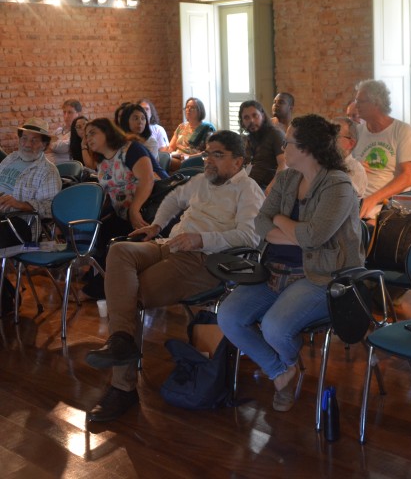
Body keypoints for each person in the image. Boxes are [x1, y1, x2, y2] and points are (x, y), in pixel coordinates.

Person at [84, 131, 265, 422]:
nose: (209, 160)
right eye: (207, 153)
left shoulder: (248, 189)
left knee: (130, 295)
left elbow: (250, 236)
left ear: (238, 161)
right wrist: (156, 225)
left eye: (218, 154)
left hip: (205, 260)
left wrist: (201, 240)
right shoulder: (203, 181)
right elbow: (172, 199)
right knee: (119, 251)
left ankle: (122, 387)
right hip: (170, 244)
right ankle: (120, 340)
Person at [218, 114, 364, 413]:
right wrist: (295, 233)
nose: (284, 147)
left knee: (274, 328)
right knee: (229, 316)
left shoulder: (338, 185)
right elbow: (260, 222)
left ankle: (281, 367)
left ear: (307, 148)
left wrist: (281, 222)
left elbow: (313, 237)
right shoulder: (286, 177)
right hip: (274, 271)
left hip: (321, 277)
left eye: (290, 142)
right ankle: (281, 370)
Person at [82, 118, 167, 299]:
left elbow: (148, 179)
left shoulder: (131, 149)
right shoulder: (102, 160)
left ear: (108, 132)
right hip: (125, 212)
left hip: (151, 210)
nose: (88, 138)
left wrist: (134, 209)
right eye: (86, 135)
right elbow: (110, 192)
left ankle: (98, 290)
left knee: (116, 242)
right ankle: (96, 279)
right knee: (99, 230)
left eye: (92, 133)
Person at [352, 79, 411, 220]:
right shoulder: (356, 132)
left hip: (390, 205)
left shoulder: (402, 130)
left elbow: (408, 177)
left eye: (360, 101)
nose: (355, 106)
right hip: (357, 201)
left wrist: (372, 199)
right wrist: (353, 166)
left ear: (376, 103)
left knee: (364, 231)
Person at [0, 118, 61, 221]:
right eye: (24, 138)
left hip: (17, 223)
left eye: (34, 140)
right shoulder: (11, 158)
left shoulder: (48, 171)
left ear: (44, 145)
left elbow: (51, 208)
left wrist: (20, 204)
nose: (28, 144)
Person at [239, 100, 286, 191]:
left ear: (263, 116)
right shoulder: (246, 139)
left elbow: (284, 164)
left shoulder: (275, 134)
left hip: (268, 188)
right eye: (246, 117)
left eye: (255, 116)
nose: (251, 121)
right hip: (249, 186)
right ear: (242, 121)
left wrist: (272, 187)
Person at [168, 97, 215, 169]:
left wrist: (188, 157)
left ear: (200, 110)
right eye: (187, 107)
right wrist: (170, 154)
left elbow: (208, 152)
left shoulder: (207, 128)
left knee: (166, 162)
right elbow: (171, 147)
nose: (188, 110)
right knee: (162, 159)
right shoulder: (181, 127)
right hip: (178, 157)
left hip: (193, 160)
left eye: (192, 107)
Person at [332, 116, 368, 198]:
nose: (329, 139)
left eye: (335, 135)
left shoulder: (356, 170)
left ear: (350, 143)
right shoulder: (319, 163)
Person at [47, 99, 83, 164]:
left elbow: (60, 147)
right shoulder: (59, 131)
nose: (66, 116)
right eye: (64, 112)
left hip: (67, 170)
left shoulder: (79, 133)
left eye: (70, 112)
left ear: (79, 114)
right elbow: (45, 145)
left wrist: (49, 145)